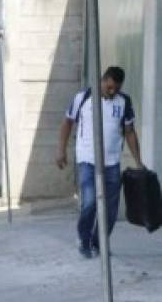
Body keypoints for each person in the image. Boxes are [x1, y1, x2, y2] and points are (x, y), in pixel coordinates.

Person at [55, 66, 144, 258]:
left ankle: (98, 243)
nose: (113, 92)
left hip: (112, 162)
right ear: (103, 80)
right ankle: (83, 239)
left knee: (111, 210)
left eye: (116, 89)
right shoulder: (83, 97)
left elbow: (129, 131)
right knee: (89, 202)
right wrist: (60, 150)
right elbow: (67, 123)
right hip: (87, 159)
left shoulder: (124, 101)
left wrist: (138, 161)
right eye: (110, 87)